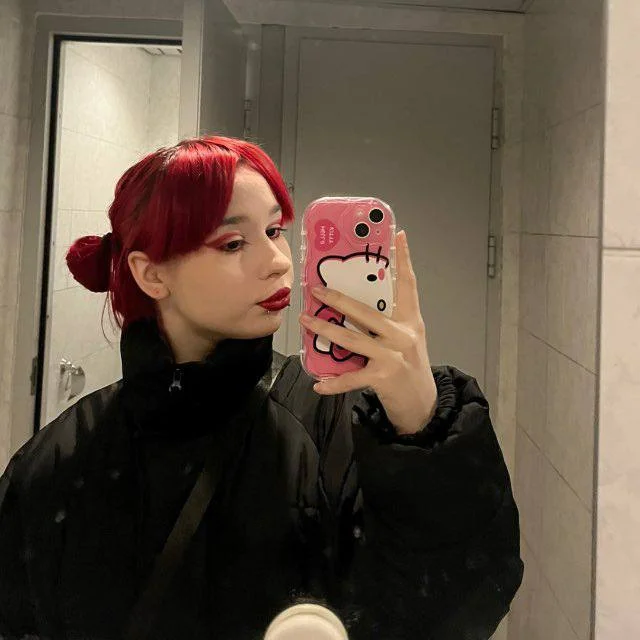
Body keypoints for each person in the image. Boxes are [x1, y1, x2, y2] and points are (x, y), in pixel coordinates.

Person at [0, 136, 523, 640]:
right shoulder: (57, 461)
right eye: (233, 243)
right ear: (152, 275)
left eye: (275, 230)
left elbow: (455, 603)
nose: (278, 261)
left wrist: (422, 423)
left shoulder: (331, 419)